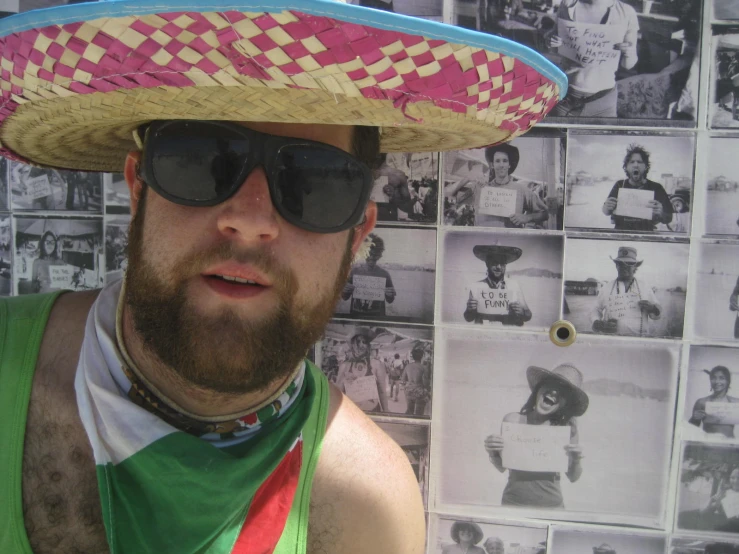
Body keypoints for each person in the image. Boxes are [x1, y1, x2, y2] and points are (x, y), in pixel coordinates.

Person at [0, 0, 563, 552]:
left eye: (315, 182)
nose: (249, 221)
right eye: (202, 160)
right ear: (139, 187)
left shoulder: (367, 514)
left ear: (357, 233)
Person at [484, 363, 589, 508]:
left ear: (566, 404)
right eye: (551, 385)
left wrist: (576, 459)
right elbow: (502, 467)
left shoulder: (567, 429)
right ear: (539, 388)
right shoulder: (512, 421)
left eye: (562, 391)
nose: (554, 392)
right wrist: (492, 451)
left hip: (552, 508)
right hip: (513, 504)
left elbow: (573, 477)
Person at [547, 0, 639, 118]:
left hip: (603, 102)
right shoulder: (568, 5)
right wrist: (551, 41)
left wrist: (629, 53)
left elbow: (628, 65)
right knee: (558, 136)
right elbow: (555, 49)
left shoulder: (626, 12)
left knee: (598, 137)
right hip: (567, 97)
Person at [444, 144, 548, 228]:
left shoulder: (520, 189)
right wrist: (468, 178)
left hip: (509, 244)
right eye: (497, 161)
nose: (501, 165)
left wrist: (527, 217)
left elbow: (545, 213)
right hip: (483, 243)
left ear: (509, 165)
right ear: (492, 165)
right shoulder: (480, 188)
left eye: (505, 161)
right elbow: (448, 194)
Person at [591, 246, 662, 337]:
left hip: (639, 340)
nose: (624, 267)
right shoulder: (606, 287)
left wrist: (653, 308)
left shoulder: (645, 287)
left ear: (635, 267)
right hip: (611, 339)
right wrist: (597, 322)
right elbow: (595, 309)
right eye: (621, 264)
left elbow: (657, 314)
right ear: (616, 266)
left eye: (629, 264)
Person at [601, 144, 673, 232]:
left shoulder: (656, 187)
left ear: (646, 166)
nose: (636, 165)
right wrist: (607, 207)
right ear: (626, 167)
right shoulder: (620, 185)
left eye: (640, 162)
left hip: (646, 236)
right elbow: (606, 212)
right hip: (621, 234)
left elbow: (669, 218)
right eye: (631, 162)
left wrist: (661, 213)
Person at [464, 244, 533, 326]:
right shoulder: (476, 287)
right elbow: (468, 318)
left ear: (505, 266)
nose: (498, 267)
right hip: (484, 334)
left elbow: (528, 315)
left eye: (502, 263)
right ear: (487, 264)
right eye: (494, 263)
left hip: (507, 334)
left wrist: (522, 313)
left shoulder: (514, 285)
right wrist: (470, 310)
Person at [341, 233, 396, 318]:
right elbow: (345, 297)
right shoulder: (354, 272)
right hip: (356, 317)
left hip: (377, 318)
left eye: (375, 255)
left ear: (380, 255)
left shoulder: (385, 274)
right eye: (369, 254)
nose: (371, 257)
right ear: (363, 252)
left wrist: (390, 294)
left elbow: (390, 300)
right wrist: (345, 290)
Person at [335, 327, 389, 413]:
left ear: (368, 345)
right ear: (352, 345)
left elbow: (382, 391)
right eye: (357, 342)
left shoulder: (376, 364)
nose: (360, 345)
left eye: (364, 342)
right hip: (351, 413)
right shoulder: (345, 366)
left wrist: (386, 411)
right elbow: (338, 392)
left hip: (373, 411)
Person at [690, 366, 739, 438]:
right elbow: (691, 429)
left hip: (729, 446)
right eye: (713, 378)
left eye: (721, 378)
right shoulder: (702, 402)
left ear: (728, 381)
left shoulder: (736, 403)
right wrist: (694, 418)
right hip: (708, 445)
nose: (717, 381)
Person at [371, 153, 412, 221]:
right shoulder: (399, 175)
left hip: (382, 217)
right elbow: (407, 205)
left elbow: (407, 205)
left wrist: (393, 196)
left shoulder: (398, 175)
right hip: (386, 217)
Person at [400, 343, 431, 416]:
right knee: (419, 412)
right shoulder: (424, 367)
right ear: (422, 357)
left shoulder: (408, 366)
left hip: (409, 391)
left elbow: (403, 379)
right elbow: (426, 383)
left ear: (413, 357)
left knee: (410, 410)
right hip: (419, 392)